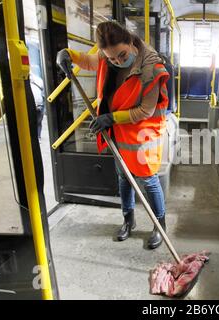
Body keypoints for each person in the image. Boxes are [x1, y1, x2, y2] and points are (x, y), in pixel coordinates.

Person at [56, 21, 169, 249]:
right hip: (118, 132)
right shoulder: (107, 56)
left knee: (148, 179)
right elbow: (89, 61)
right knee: (123, 178)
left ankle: (160, 225)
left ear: (130, 41)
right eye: (112, 58)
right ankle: (129, 221)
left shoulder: (151, 67)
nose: (117, 61)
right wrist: (66, 54)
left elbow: (145, 110)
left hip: (142, 133)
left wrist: (111, 118)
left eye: (121, 55)